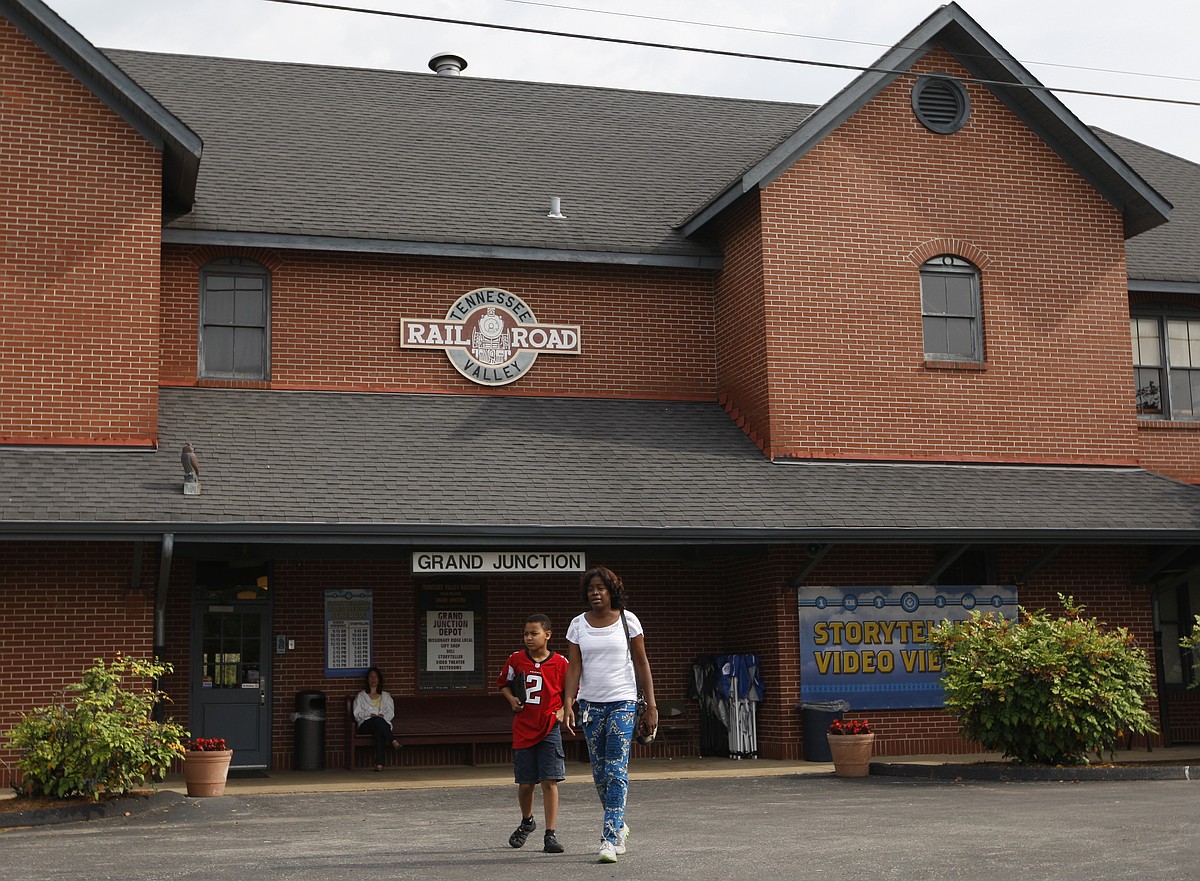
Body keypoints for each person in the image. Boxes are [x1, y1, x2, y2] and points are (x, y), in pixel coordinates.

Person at [564, 566, 658, 864]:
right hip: (590, 706)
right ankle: (619, 823)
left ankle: (608, 836)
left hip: (623, 702)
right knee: (600, 772)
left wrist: (652, 706)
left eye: (601, 588)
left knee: (616, 768)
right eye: (591, 588)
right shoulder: (578, 625)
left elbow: (642, 663)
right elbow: (574, 667)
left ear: (611, 590)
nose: (595, 592)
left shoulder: (628, 621)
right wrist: (568, 702)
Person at [497, 613, 569, 854]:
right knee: (526, 784)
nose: (528, 638)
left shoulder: (560, 663)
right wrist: (510, 699)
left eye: (534, 633)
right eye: (526, 634)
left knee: (550, 781)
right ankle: (527, 820)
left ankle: (551, 834)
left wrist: (562, 709)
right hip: (523, 729)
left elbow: (573, 690)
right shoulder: (516, 660)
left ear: (547, 635)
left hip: (549, 729)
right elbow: (504, 683)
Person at [353, 666, 399, 771]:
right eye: (371, 677)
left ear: (379, 679)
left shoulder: (386, 696)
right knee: (378, 721)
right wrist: (370, 714)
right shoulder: (361, 696)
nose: (373, 679)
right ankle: (393, 740)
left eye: (375, 677)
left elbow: (391, 712)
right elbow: (357, 713)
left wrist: (383, 716)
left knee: (379, 729)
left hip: (381, 725)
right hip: (365, 725)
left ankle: (379, 764)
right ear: (367, 679)